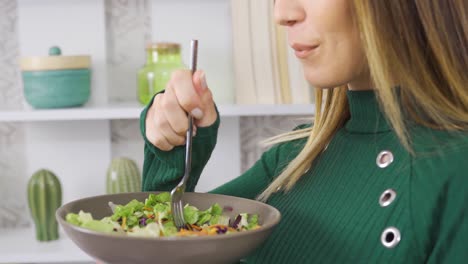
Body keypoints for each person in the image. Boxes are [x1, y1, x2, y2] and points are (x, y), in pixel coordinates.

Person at [140, 0, 468, 263]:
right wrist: (175, 152)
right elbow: (152, 247)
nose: (282, 13)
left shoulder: (455, 170)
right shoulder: (295, 158)